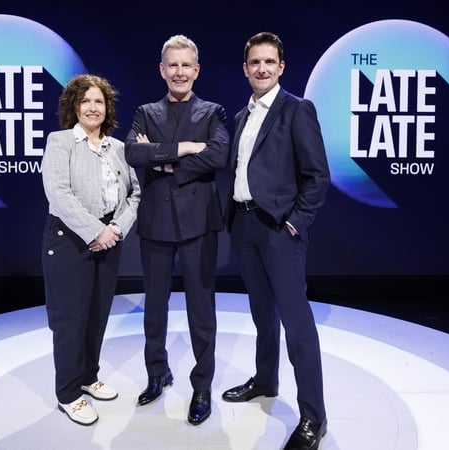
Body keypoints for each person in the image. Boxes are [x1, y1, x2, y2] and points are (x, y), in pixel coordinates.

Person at [220, 32, 330, 450]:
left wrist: (295, 224)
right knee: (262, 316)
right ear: (245, 68)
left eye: (269, 62)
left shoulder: (297, 110)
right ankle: (265, 381)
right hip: (245, 227)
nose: (262, 69)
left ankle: (312, 418)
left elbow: (317, 177)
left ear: (281, 67)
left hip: (279, 231)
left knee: (297, 325)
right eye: (254, 63)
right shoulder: (240, 116)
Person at [124, 34, 229, 426]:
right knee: (154, 308)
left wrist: (164, 158)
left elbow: (220, 154)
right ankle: (157, 373)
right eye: (173, 65)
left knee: (202, 310)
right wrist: (186, 148)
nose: (180, 72)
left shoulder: (213, 111)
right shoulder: (146, 111)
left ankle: (202, 385)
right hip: (155, 223)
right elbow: (132, 152)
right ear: (162, 69)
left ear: (196, 70)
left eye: (187, 65)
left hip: (200, 224)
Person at [40, 74, 141, 426]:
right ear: (74, 106)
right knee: (71, 320)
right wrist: (95, 231)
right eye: (86, 101)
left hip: (109, 239)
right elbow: (58, 193)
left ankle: (87, 375)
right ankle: (68, 394)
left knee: (96, 315)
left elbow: (135, 195)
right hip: (68, 240)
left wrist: (115, 229)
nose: (93, 107)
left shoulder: (119, 148)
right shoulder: (61, 142)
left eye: (99, 101)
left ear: (107, 107)